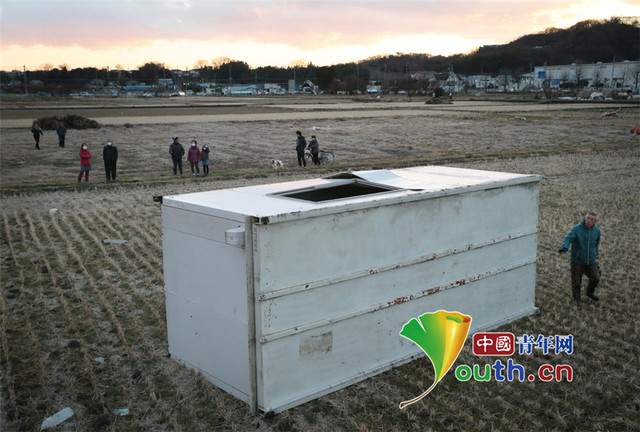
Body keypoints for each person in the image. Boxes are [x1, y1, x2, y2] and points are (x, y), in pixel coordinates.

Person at [558, 212, 601, 306]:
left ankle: (590, 293)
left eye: (592, 219)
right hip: (577, 261)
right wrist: (564, 247)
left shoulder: (597, 231)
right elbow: (568, 239)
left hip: (591, 261)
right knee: (576, 282)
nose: (589, 221)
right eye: (588, 218)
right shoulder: (577, 229)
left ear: (595, 221)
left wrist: (595, 253)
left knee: (595, 278)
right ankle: (576, 299)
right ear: (585, 218)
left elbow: (596, 244)